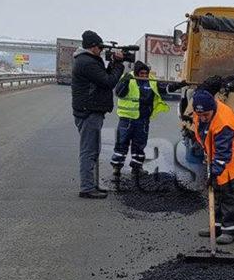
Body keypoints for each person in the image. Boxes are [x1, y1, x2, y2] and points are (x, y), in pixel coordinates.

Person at [193, 90, 234, 245]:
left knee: (228, 193)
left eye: (206, 115)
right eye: (200, 115)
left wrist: (214, 173)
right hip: (218, 153)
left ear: (213, 109)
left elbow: (224, 153)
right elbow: (204, 135)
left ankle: (230, 230)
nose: (203, 118)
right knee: (217, 191)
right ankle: (216, 226)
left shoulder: (224, 122)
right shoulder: (200, 113)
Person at [71, 30, 125, 199]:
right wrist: (118, 65)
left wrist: (112, 65)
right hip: (89, 111)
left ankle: (92, 185)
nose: (101, 51)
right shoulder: (87, 62)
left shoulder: (87, 60)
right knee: (89, 151)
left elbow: (102, 78)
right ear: (92, 47)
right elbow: (108, 82)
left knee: (93, 150)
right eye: (99, 47)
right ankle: (87, 188)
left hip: (90, 110)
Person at [110, 60, 182, 178]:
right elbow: (119, 93)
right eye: (141, 73)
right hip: (126, 119)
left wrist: (179, 85)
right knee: (122, 143)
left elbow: (165, 88)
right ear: (136, 73)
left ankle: (137, 168)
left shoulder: (151, 81)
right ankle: (116, 167)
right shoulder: (128, 78)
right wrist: (124, 82)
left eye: (145, 73)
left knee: (139, 145)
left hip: (142, 120)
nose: (144, 76)